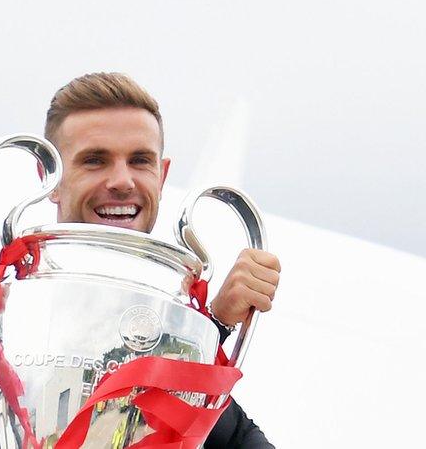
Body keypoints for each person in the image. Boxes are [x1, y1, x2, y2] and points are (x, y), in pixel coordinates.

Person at [44, 72, 279, 447]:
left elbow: (232, 437)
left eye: (139, 161)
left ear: (162, 175)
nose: (122, 181)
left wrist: (205, 329)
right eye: (94, 160)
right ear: (49, 176)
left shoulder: (172, 322)